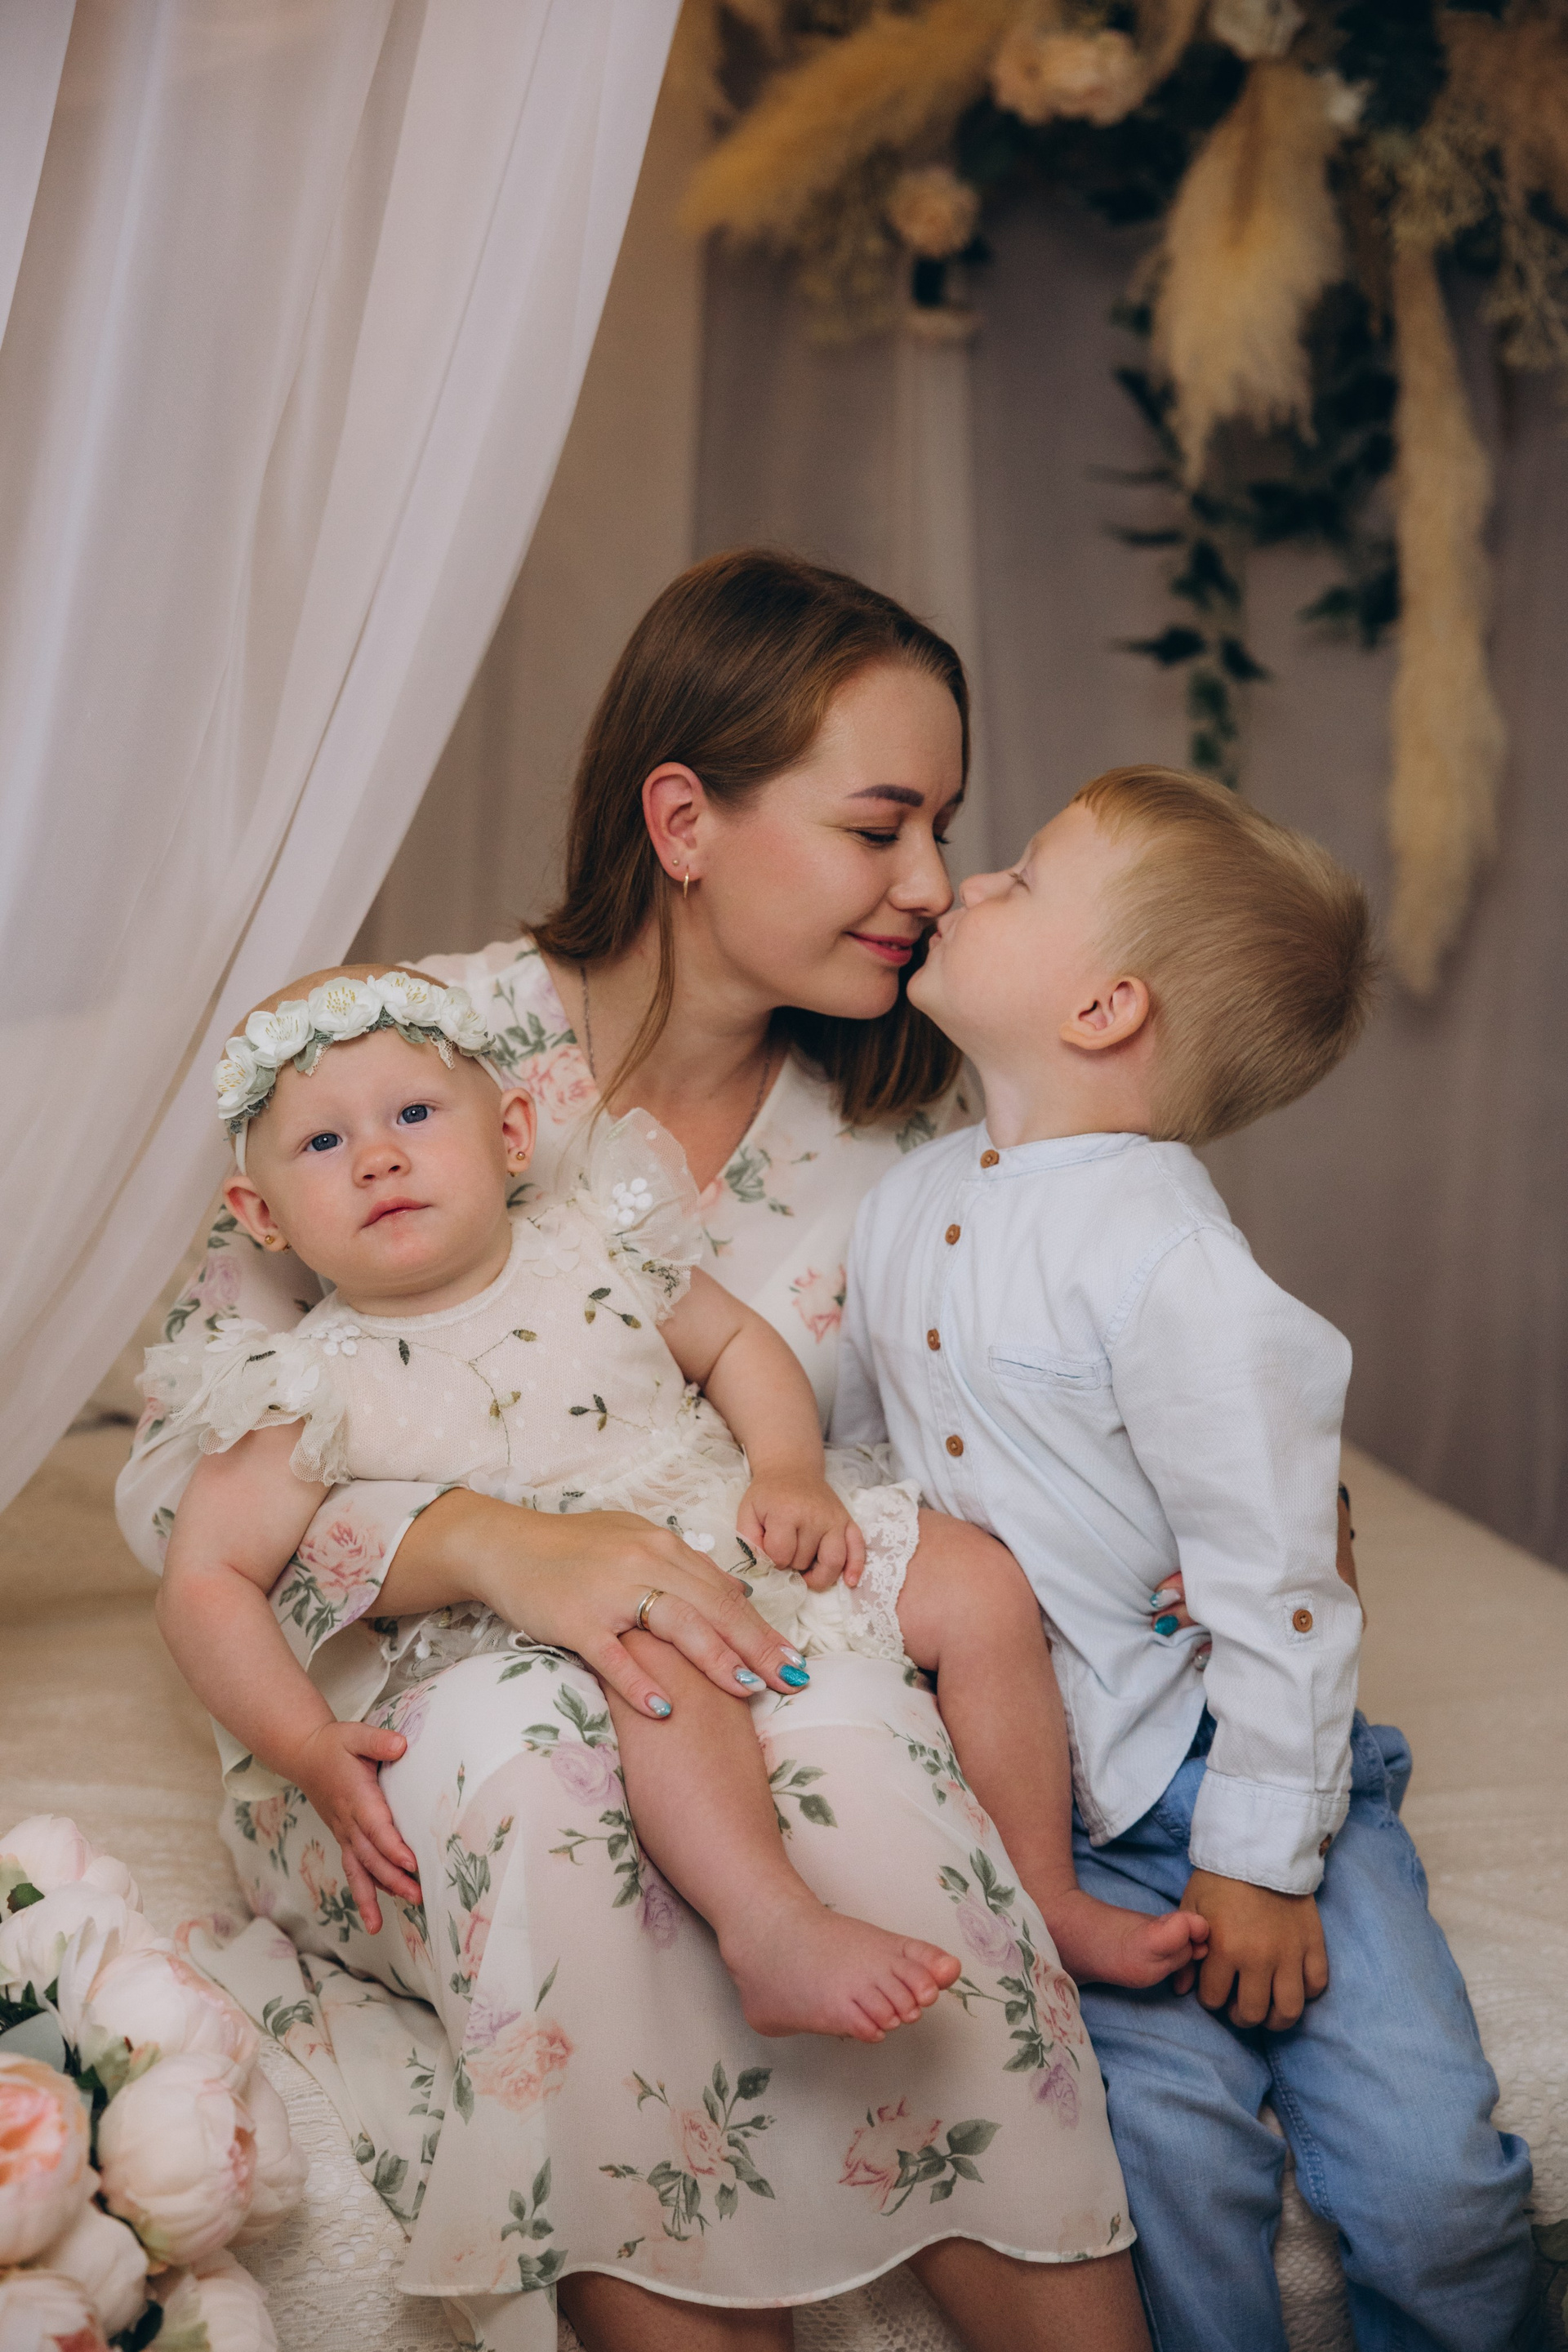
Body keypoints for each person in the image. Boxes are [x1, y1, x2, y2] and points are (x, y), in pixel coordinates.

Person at [118, 552, 1153, 2352]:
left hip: (733, 1626)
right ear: (684, 821)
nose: (930, 884)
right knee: (550, 1773)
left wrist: (1207, 1497)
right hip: (419, 1699)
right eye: (880, 827)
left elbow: (963, 1460)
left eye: (942, 831)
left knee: (873, 1768)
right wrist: (481, 1542)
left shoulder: (902, 1138)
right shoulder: (394, 1059)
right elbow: (175, 1490)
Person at [833, 766, 1535, 2352]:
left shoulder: (1172, 1258)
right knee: (1167, 2174)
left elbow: (1284, 1580)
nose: (963, 883)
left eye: (1018, 875)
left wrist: (1263, 1859)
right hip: (1063, 1822)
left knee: (1435, 2178)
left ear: (1104, 1009)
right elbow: (885, 1469)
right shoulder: (909, 1204)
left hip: (1247, 1777)